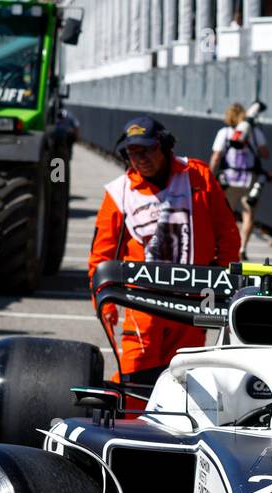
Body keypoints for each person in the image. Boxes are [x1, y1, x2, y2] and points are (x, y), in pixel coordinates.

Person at [88, 115, 242, 388]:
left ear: (165, 146)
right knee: (135, 375)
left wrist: (225, 283)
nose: (141, 159)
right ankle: (131, 427)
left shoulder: (198, 175)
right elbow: (101, 256)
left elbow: (227, 234)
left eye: (147, 150)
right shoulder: (118, 193)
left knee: (188, 375)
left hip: (194, 298)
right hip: (143, 302)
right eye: (133, 152)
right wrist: (105, 302)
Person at [209, 103, 270, 253]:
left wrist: (210, 175)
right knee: (248, 214)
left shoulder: (224, 132)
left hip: (229, 179)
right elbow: (265, 154)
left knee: (226, 214)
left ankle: (227, 247)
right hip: (250, 179)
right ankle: (243, 248)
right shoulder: (254, 132)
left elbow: (216, 156)